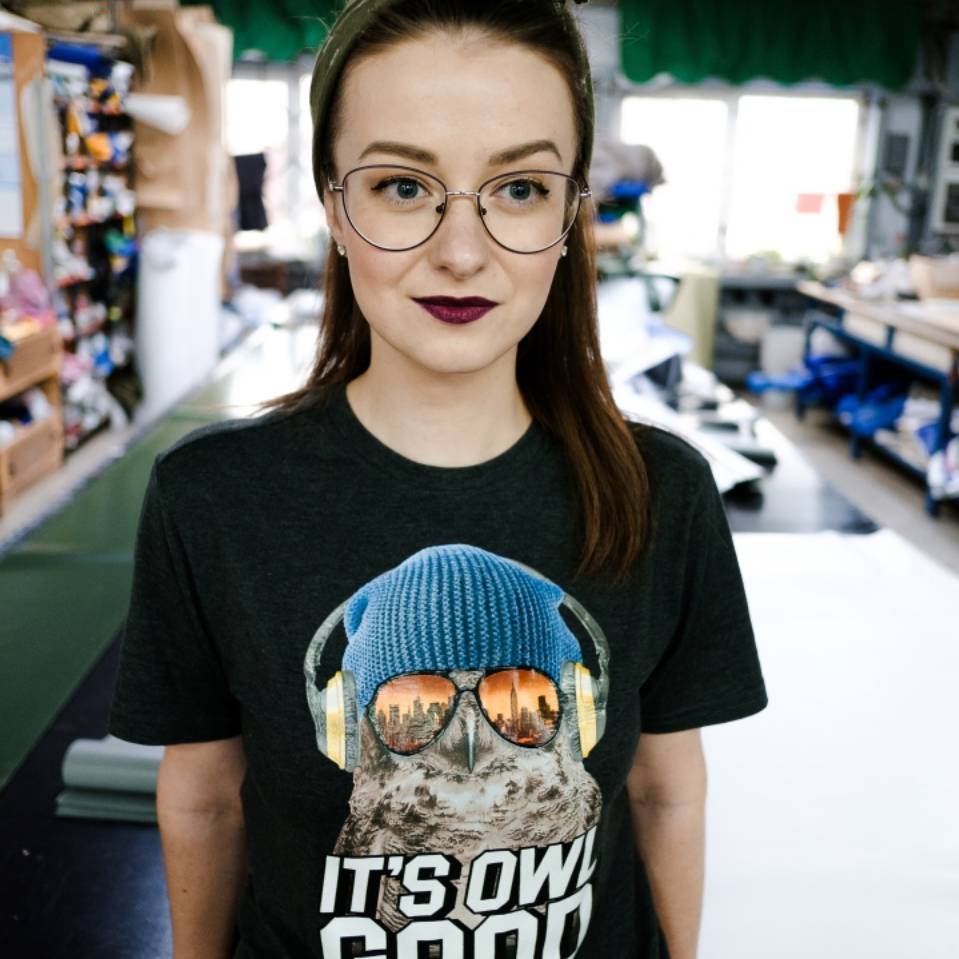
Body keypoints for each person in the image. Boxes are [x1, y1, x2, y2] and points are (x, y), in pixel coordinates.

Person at [107, 1, 769, 957]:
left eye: (520, 188)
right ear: (335, 208)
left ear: (568, 214)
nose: (461, 252)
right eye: (402, 186)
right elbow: (205, 798)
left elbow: (665, 786)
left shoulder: (661, 489)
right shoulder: (210, 497)